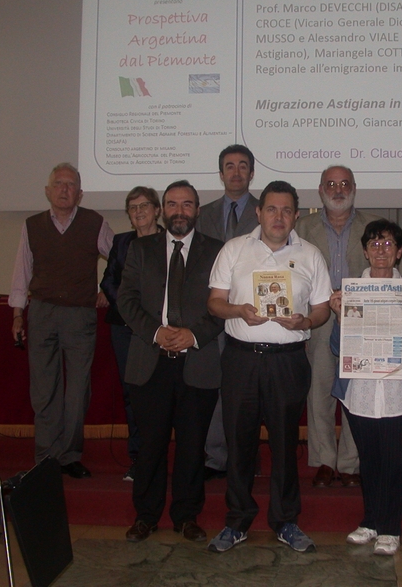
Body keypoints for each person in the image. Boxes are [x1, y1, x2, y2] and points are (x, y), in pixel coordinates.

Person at [207, 181, 332, 553]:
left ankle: (285, 521)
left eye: (287, 210)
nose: (279, 217)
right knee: (239, 442)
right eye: (272, 209)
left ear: (296, 215)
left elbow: (323, 308)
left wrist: (306, 322)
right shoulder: (234, 250)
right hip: (241, 359)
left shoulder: (310, 254)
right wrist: (238, 311)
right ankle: (238, 520)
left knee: (284, 443)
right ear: (258, 213)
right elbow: (214, 302)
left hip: (288, 362)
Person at [117, 181, 224, 543]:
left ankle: (186, 516)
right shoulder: (141, 249)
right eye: (173, 204)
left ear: (198, 209)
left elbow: (224, 306)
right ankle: (145, 516)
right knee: (150, 446)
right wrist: (156, 332)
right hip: (151, 362)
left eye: (188, 204)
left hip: (198, 362)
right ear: (162, 210)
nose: (180, 211)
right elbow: (126, 300)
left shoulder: (217, 251)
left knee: (193, 447)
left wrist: (193, 335)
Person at [329, 219, 402, 556]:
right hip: (359, 389)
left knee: (396, 461)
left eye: (388, 244)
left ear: (400, 252)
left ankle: (391, 527)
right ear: (364, 251)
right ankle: (370, 521)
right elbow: (335, 346)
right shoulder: (352, 290)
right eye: (374, 244)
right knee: (369, 460)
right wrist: (341, 317)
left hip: (399, 392)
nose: (381, 251)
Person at [9, 162, 113, 477]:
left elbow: (121, 260)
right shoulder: (32, 226)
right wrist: (17, 316)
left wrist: (107, 288)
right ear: (48, 191)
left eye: (70, 185)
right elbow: (21, 274)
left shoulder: (95, 223)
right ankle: (46, 457)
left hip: (80, 316)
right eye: (59, 184)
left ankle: (69, 456)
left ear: (80, 193)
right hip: (41, 312)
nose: (64, 190)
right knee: (43, 389)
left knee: (77, 389)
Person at [295, 165, 381, 488]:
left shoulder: (372, 225)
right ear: (320, 190)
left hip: (360, 319)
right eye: (331, 184)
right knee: (319, 390)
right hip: (317, 319)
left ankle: (349, 463)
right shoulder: (301, 227)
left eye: (345, 183)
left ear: (355, 188)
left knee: (354, 392)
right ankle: (323, 460)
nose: (338, 189)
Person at [197, 144, 260, 480]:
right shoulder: (202, 213)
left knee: (246, 390)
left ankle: (244, 457)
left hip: (252, 315)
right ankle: (214, 456)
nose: (236, 172)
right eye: (229, 166)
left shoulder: (266, 212)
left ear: (252, 173)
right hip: (211, 314)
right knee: (214, 387)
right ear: (221, 173)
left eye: (242, 166)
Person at [100, 187, 163, 481]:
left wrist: (149, 316)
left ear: (157, 210)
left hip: (161, 330)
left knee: (162, 393)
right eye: (132, 208)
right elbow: (109, 280)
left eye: (144, 206)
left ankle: (160, 455)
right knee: (132, 393)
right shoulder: (121, 242)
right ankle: (138, 456)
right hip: (125, 327)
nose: (139, 212)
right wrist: (129, 309)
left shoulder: (170, 241)